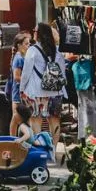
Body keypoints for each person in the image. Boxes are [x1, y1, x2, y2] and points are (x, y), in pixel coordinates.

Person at [20, 22, 68, 159]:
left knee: (36, 121)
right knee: (55, 121)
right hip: (56, 93)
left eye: (35, 31)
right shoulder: (57, 52)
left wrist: (22, 88)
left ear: (39, 34)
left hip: (37, 92)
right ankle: (52, 151)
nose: (33, 32)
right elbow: (62, 74)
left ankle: (40, 151)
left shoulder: (33, 51)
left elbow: (26, 73)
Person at [8, 31, 31, 136]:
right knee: (16, 117)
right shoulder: (18, 58)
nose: (28, 45)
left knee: (20, 117)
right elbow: (17, 77)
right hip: (18, 92)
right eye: (26, 44)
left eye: (29, 43)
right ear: (19, 45)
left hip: (23, 91)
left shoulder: (24, 57)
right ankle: (12, 138)